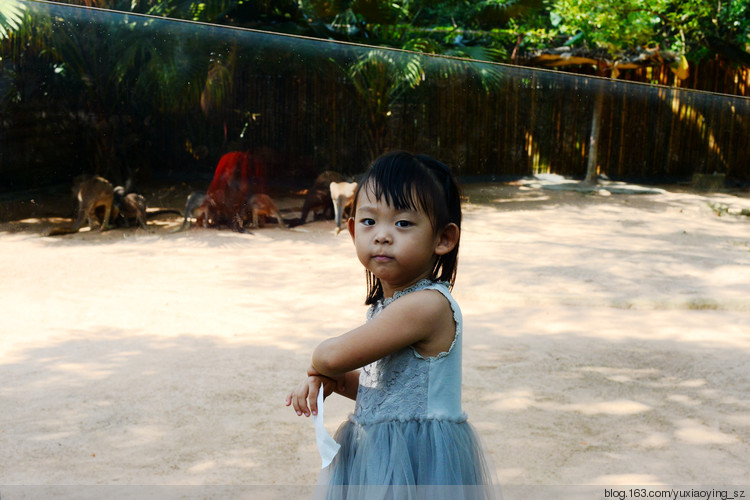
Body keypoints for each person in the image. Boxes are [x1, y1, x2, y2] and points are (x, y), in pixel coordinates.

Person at [285, 151, 497, 499]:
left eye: (402, 223)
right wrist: (332, 381)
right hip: (379, 455)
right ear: (353, 230)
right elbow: (388, 394)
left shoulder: (426, 305)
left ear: (443, 238)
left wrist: (320, 363)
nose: (382, 235)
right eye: (369, 221)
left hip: (417, 464)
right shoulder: (390, 305)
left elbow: (331, 354)